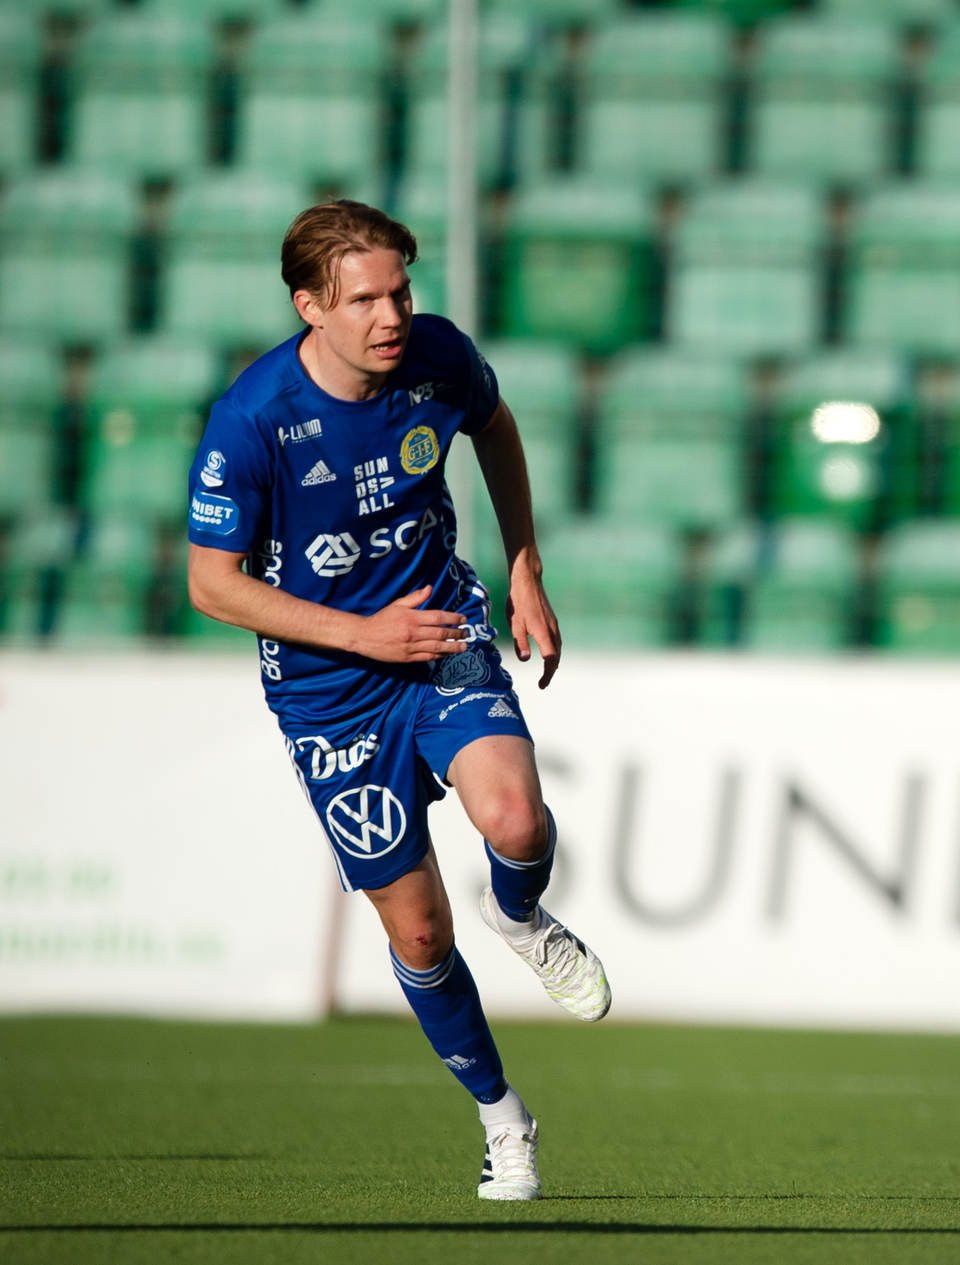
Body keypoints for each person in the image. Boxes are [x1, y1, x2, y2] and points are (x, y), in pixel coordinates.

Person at [186, 200, 611, 1201]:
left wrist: (524, 566)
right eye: (366, 298)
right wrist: (356, 634)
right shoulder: (253, 419)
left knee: (515, 817)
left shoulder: (439, 357)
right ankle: (504, 1120)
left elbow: (495, 427)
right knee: (417, 932)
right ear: (310, 307)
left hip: (440, 629)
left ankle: (523, 915)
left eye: (401, 291)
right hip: (328, 688)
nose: (392, 314)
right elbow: (212, 581)